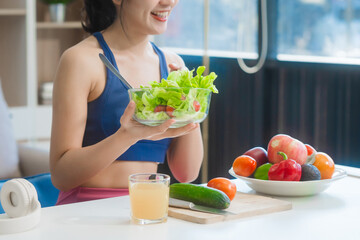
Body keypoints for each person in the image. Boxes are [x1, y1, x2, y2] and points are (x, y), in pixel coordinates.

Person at [50, 0, 204, 205]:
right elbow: (61, 175)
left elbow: (187, 173)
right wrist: (126, 136)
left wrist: (190, 102)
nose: (169, 2)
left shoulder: (172, 66)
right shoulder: (80, 60)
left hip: (147, 209)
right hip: (85, 211)